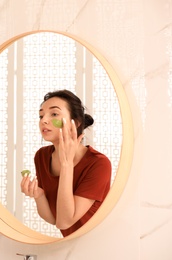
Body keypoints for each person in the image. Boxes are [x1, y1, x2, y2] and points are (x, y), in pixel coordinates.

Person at [20, 89, 111, 237]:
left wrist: (66, 165)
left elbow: (65, 222)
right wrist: (39, 195)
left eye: (54, 114)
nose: (44, 120)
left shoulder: (99, 164)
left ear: (76, 123)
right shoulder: (41, 156)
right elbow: (55, 219)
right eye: (41, 115)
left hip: (100, 245)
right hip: (70, 246)